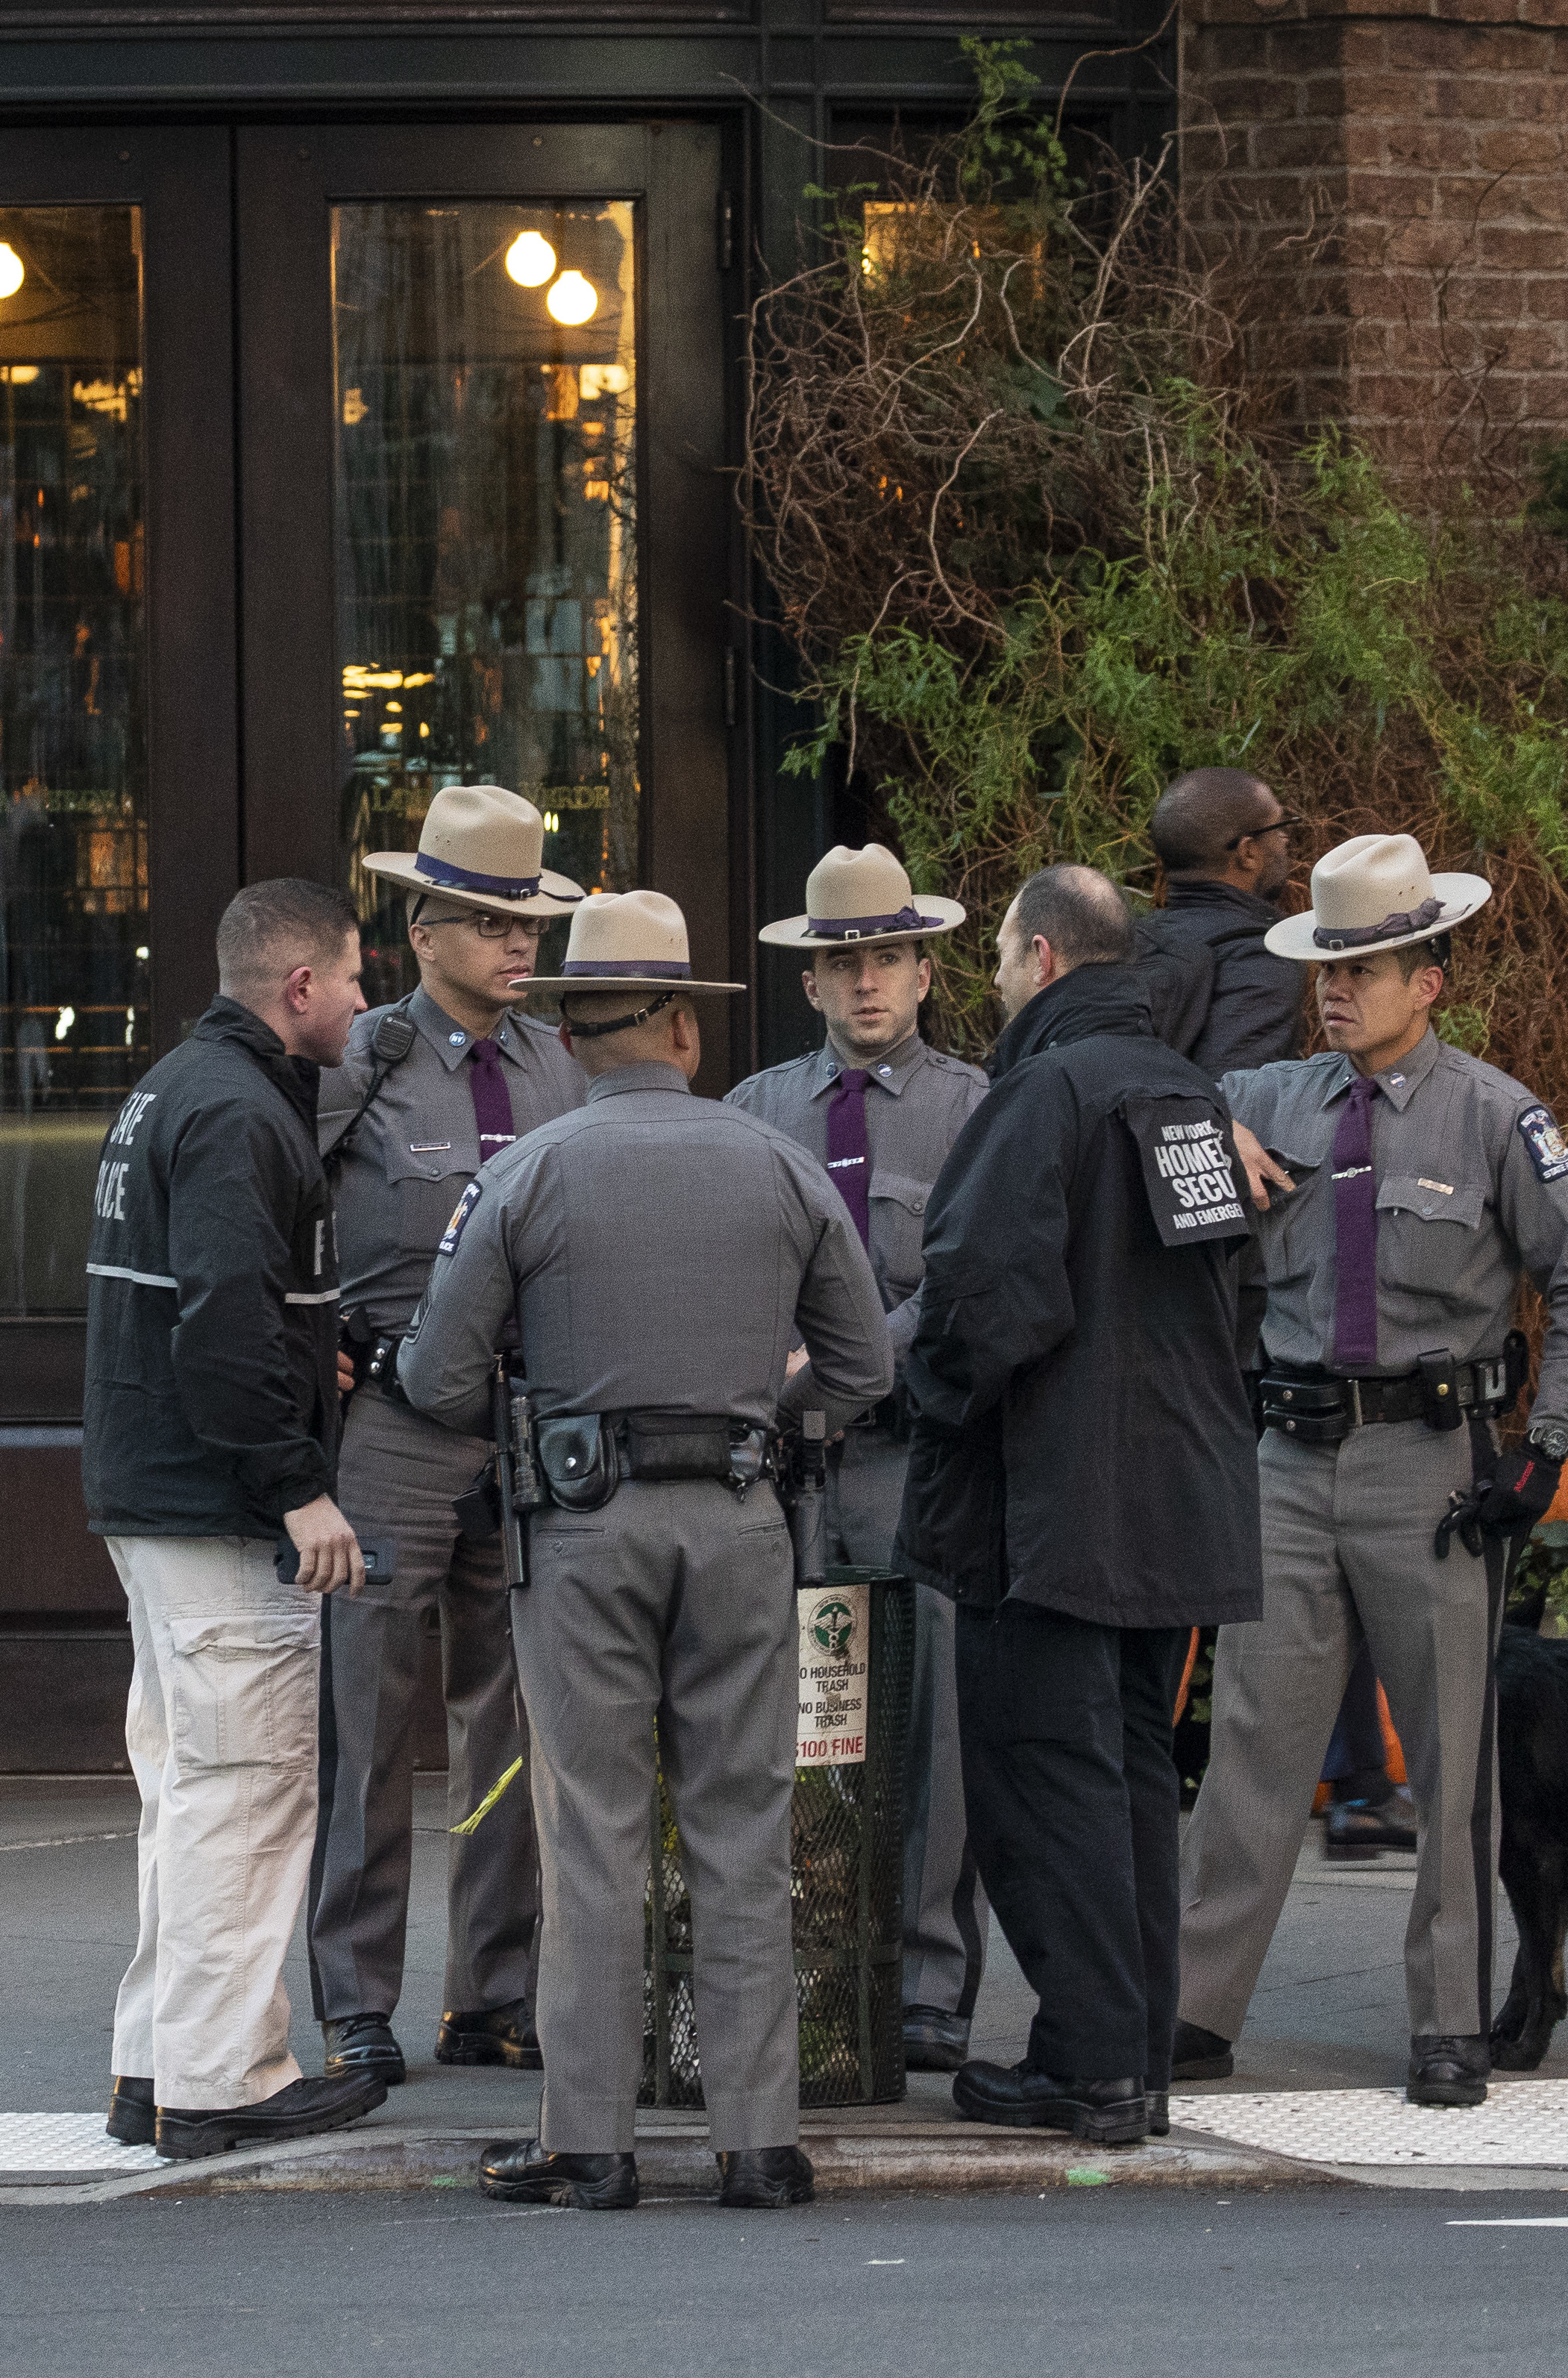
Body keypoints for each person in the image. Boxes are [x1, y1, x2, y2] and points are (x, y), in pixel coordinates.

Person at [395, 889, 891, 2212]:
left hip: (583, 1525)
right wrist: (752, 1407)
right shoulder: (774, 1161)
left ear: (571, 1032)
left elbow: (437, 1376)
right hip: (738, 1518)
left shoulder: (526, 1171)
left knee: (596, 1833)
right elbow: (863, 1362)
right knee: (745, 1828)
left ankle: (591, 2137)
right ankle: (758, 2139)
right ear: (683, 1023)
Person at [1173, 833, 1568, 2109]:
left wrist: (1547, 1447)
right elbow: (1143, 1122)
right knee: (1252, 1752)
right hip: (1285, 1456)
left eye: (1365, 965)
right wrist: (1204, 1133)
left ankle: (1448, 2022)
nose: (1337, 986)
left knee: (1449, 1758)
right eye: (1326, 963)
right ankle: (1195, 2009)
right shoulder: (1264, 1100)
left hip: (1430, 1465)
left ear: (1427, 979)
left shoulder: (1494, 1114)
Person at [893, 863, 1264, 2149]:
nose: (994, 984)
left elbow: (983, 1291)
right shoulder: (1189, 1096)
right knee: (1131, 1782)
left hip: (1053, 1503)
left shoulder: (1042, 1089)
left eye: (997, 959)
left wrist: (925, 1399)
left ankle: (1092, 2065)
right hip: (1180, 1501)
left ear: (1043, 958)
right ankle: (1126, 2053)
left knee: (1043, 1785)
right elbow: (1238, 1301)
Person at [81, 877, 385, 2163]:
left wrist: (315, 1356)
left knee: (189, 1789)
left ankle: (156, 2067)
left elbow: (222, 1306)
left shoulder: (176, 1086)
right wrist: (297, 1483)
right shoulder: (235, 1111)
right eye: (357, 978)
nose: (368, 1003)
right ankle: (222, 2078)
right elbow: (221, 1319)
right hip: (216, 1509)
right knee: (248, 1790)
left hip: (154, 1493)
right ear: (299, 986)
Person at [307, 786, 588, 2085]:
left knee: (513, 1721)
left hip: (523, 1425)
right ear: (424, 931)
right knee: (368, 1720)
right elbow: (276, 1209)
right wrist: (318, 1353)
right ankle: (355, 1997)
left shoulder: (555, 1065)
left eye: (525, 918)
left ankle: (494, 1991)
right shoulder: (361, 1059)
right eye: (486, 921)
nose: (515, 944)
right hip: (397, 1431)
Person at [726, 842, 990, 2077]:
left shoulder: (976, 1109)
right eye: (844, 962)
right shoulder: (751, 1113)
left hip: (909, 1456)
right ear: (811, 984)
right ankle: (802, 1962)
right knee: (783, 1717)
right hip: (779, 1468)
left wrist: (846, 1359)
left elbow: (973, 1281)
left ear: (928, 969)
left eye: (887, 955)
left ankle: (930, 1975)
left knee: (928, 1719)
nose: (868, 980)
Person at [1140, 769, 1411, 1862]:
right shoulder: (1255, 956)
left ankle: (1150, 1769)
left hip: (1144, 1287)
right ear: (1248, 855)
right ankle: (1351, 1786)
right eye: (1283, 836)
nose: (1292, 848)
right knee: (1292, 1537)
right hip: (1233, 1294)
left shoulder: (1141, 950)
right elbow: (1238, 1095)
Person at [1134, 766, 1308, 1072]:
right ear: (1248, 852)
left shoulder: (1126, 943)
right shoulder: (1261, 959)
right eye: (1279, 828)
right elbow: (1236, 1102)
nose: (1285, 840)